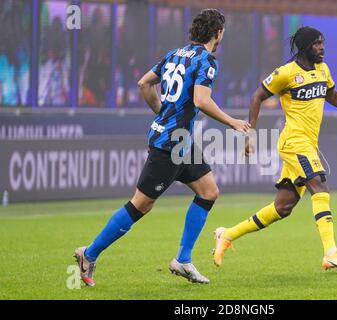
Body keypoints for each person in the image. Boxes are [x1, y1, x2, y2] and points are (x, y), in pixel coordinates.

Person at [74, 9, 251, 286]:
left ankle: (183, 259)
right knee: (141, 206)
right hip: (169, 143)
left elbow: (144, 83)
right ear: (217, 33)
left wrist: (161, 113)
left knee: (209, 191)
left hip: (179, 140)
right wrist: (232, 122)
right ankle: (89, 253)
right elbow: (202, 101)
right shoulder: (207, 60)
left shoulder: (174, 55)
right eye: (222, 32)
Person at [213, 26, 337, 270]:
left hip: (308, 143)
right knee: (320, 186)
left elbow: (331, 95)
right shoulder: (286, 73)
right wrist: (251, 133)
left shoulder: (323, 70)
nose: (322, 48)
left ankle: (226, 234)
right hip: (294, 141)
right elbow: (257, 96)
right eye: (317, 44)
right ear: (304, 47)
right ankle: (331, 252)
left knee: (283, 207)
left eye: (323, 43)